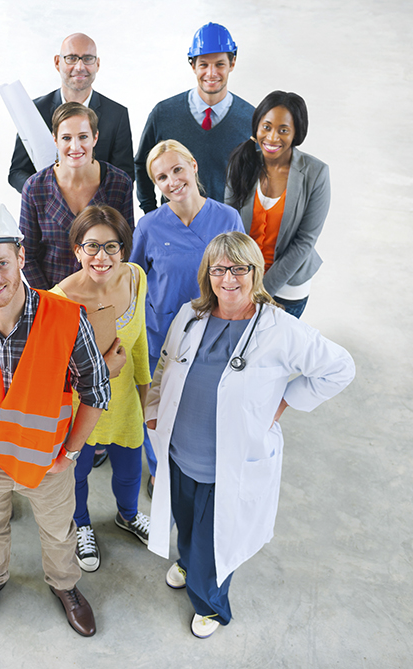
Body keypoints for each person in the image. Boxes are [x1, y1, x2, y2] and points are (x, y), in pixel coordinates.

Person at [145, 231, 354, 639]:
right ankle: (188, 564)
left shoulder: (280, 328)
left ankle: (210, 606)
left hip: (229, 464)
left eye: (239, 268)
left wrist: (285, 404)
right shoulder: (191, 315)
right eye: (219, 268)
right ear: (208, 273)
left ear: (255, 272)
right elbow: (164, 365)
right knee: (186, 526)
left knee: (215, 541)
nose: (228, 279)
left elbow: (340, 368)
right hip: (180, 452)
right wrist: (154, 411)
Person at [0, 199, 110, 637]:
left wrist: (70, 453)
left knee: (58, 533)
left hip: (47, 462)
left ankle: (65, 585)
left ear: (20, 254)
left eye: (1, 263)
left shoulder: (67, 318)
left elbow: (97, 390)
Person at [131, 140, 243, 482]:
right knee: (157, 409)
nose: (172, 181)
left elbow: (241, 275)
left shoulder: (227, 217)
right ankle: (159, 471)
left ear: (193, 166)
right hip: (160, 338)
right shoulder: (149, 226)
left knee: (201, 407)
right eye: (161, 177)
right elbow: (132, 283)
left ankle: (198, 466)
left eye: (177, 169)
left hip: (212, 336)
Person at [51, 206, 151, 572]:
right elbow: (51, 372)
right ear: (76, 250)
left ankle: (127, 514)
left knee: (128, 468)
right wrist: (101, 371)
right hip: (82, 406)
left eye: (112, 247)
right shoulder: (59, 300)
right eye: (91, 246)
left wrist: (145, 394)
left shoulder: (137, 279)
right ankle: (82, 526)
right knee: (77, 474)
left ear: (124, 250)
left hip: (124, 401)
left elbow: (138, 342)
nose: (101, 257)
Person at [225, 91, 330, 318]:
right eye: (266, 127)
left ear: (296, 133)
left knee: (275, 352)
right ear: (256, 127)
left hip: (288, 287)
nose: (272, 137)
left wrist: (260, 291)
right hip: (242, 279)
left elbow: (305, 241)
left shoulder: (316, 173)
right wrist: (240, 280)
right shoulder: (240, 163)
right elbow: (230, 226)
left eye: (283, 130)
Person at [134, 23, 254, 214]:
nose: (211, 73)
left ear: (232, 63)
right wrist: (151, 211)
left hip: (226, 232)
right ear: (193, 65)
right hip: (174, 227)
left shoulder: (251, 119)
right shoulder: (163, 114)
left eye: (220, 64)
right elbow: (142, 164)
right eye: (204, 65)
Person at [20, 102, 134, 290]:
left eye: (83, 137)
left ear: (95, 138)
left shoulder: (119, 183)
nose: (75, 146)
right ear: (55, 140)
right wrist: (51, 296)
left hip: (105, 292)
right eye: (66, 138)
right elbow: (27, 255)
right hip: (54, 295)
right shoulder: (35, 188)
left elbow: (126, 248)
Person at [8, 32, 134, 192]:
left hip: (98, 213)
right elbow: (17, 172)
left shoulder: (117, 115)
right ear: (57, 62)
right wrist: (44, 193)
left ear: (97, 64)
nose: (80, 67)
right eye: (72, 58)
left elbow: (125, 175)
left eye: (88, 58)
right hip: (46, 211)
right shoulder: (34, 111)